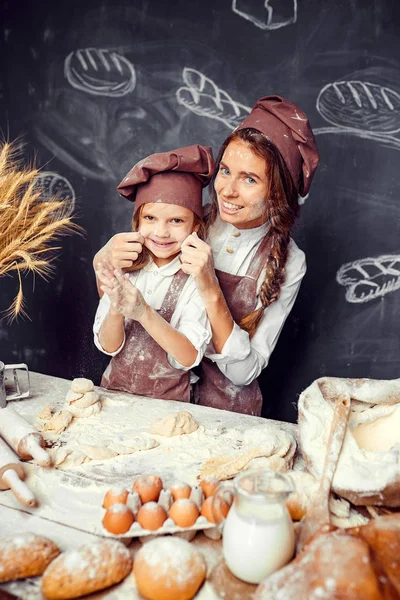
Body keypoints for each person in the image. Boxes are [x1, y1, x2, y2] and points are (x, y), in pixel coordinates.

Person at [94, 95, 319, 416]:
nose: (227, 190)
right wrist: (101, 262)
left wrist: (210, 287)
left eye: (250, 179)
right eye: (226, 171)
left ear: (278, 191)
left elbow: (244, 373)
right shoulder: (180, 221)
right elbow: (118, 314)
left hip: (226, 416)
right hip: (157, 406)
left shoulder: (289, 262)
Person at [93, 144, 214, 402]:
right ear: (137, 222)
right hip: (113, 398)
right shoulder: (124, 268)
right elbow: (109, 346)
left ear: (195, 225)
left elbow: (189, 356)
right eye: (150, 218)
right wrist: (117, 308)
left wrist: (143, 312)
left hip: (169, 406)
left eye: (176, 221)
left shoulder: (195, 279)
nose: (161, 232)